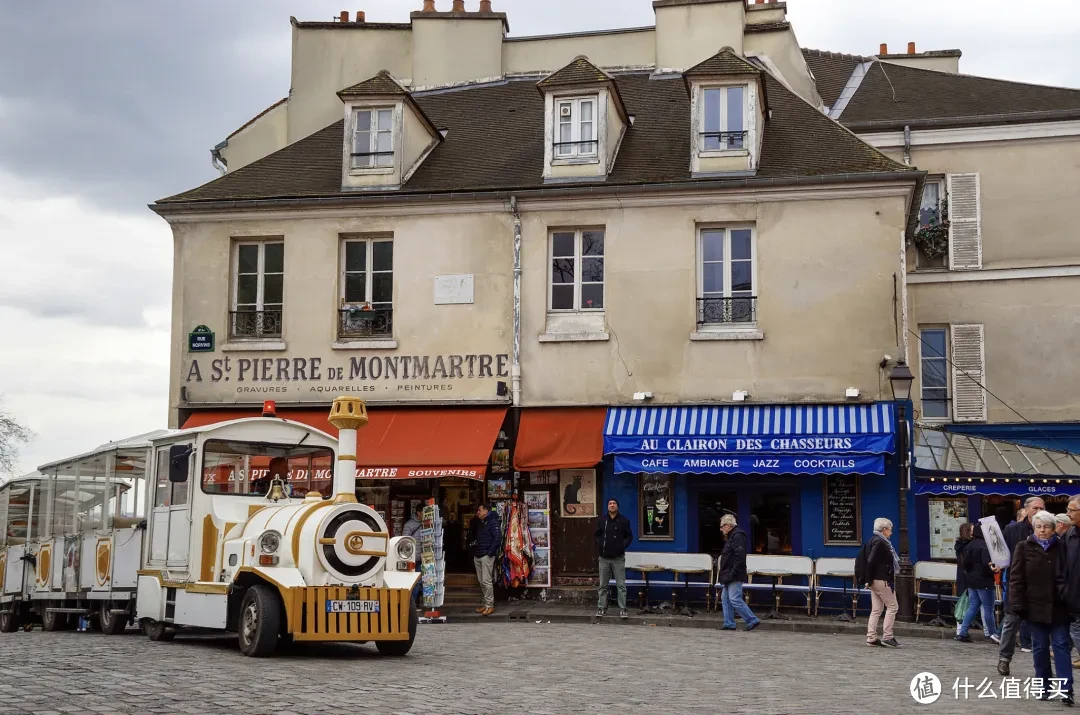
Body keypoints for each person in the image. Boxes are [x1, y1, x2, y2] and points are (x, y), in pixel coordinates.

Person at [1009, 510, 1073, 704]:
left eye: (1046, 527)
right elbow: (1016, 578)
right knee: (1040, 648)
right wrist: (1017, 604)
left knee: (1061, 646)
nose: (1042, 530)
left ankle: (1065, 690)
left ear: (1054, 529)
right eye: (1039, 527)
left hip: (1059, 605)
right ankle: (1043, 687)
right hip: (1034, 606)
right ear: (1033, 528)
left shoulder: (1062, 546)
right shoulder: (1023, 547)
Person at [998, 497, 1044, 675]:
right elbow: (1000, 551)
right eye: (1035, 508)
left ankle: (1041, 666)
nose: (1039, 511)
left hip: (1040, 587)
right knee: (1011, 623)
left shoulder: (1048, 530)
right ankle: (1004, 659)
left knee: (1039, 626)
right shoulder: (1013, 529)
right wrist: (996, 563)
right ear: (1027, 510)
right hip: (1016, 584)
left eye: (1042, 507)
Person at [956, 523, 1000, 643]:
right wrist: (992, 573)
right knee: (988, 608)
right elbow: (987, 565)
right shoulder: (985, 546)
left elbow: (965, 564)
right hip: (984, 581)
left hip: (971, 580)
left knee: (972, 606)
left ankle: (963, 632)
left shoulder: (969, 545)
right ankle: (992, 634)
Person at [718, 514, 760, 632]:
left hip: (733, 573)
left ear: (728, 525)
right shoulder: (733, 536)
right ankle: (729, 623)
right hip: (729, 573)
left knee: (734, 598)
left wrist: (732, 572)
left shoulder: (737, 536)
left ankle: (752, 620)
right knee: (725, 598)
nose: (721, 529)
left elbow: (739, 557)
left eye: (722, 526)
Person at [863, 517, 900, 648]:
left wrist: (868, 580)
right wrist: (868, 578)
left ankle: (871, 637)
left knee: (876, 609)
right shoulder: (881, 542)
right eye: (890, 530)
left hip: (874, 580)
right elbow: (871, 561)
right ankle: (888, 636)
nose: (891, 532)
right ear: (884, 530)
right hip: (881, 579)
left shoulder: (872, 540)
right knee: (893, 606)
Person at [595, 498, 632, 619]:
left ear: (618, 506)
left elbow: (629, 536)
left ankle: (622, 609)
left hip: (618, 558)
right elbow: (597, 535)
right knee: (603, 585)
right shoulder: (602, 520)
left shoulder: (624, 521)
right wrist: (600, 545)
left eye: (614, 503)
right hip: (604, 558)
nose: (612, 505)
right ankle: (601, 608)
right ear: (607, 506)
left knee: (621, 585)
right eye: (610, 504)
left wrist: (622, 545)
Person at [1061, 495, 1080, 668]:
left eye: (1071, 510)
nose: (1068, 513)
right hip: (1073, 593)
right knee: (1075, 625)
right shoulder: (1069, 534)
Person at [471, 503, 500, 616]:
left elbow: (497, 538)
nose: (478, 512)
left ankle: (490, 605)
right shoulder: (480, 522)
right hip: (478, 554)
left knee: (486, 581)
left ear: (486, 511)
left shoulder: (492, 522)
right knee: (481, 581)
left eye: (479, 510)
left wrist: (489, 553)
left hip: (485, 555)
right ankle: (486, 603)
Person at [954, 523, 974, 637]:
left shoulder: (959, 545)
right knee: (967, 602)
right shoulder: (970, 545)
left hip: (961, 574)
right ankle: (962, 629)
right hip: (968, 574)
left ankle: (960, 629)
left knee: (963, 602)